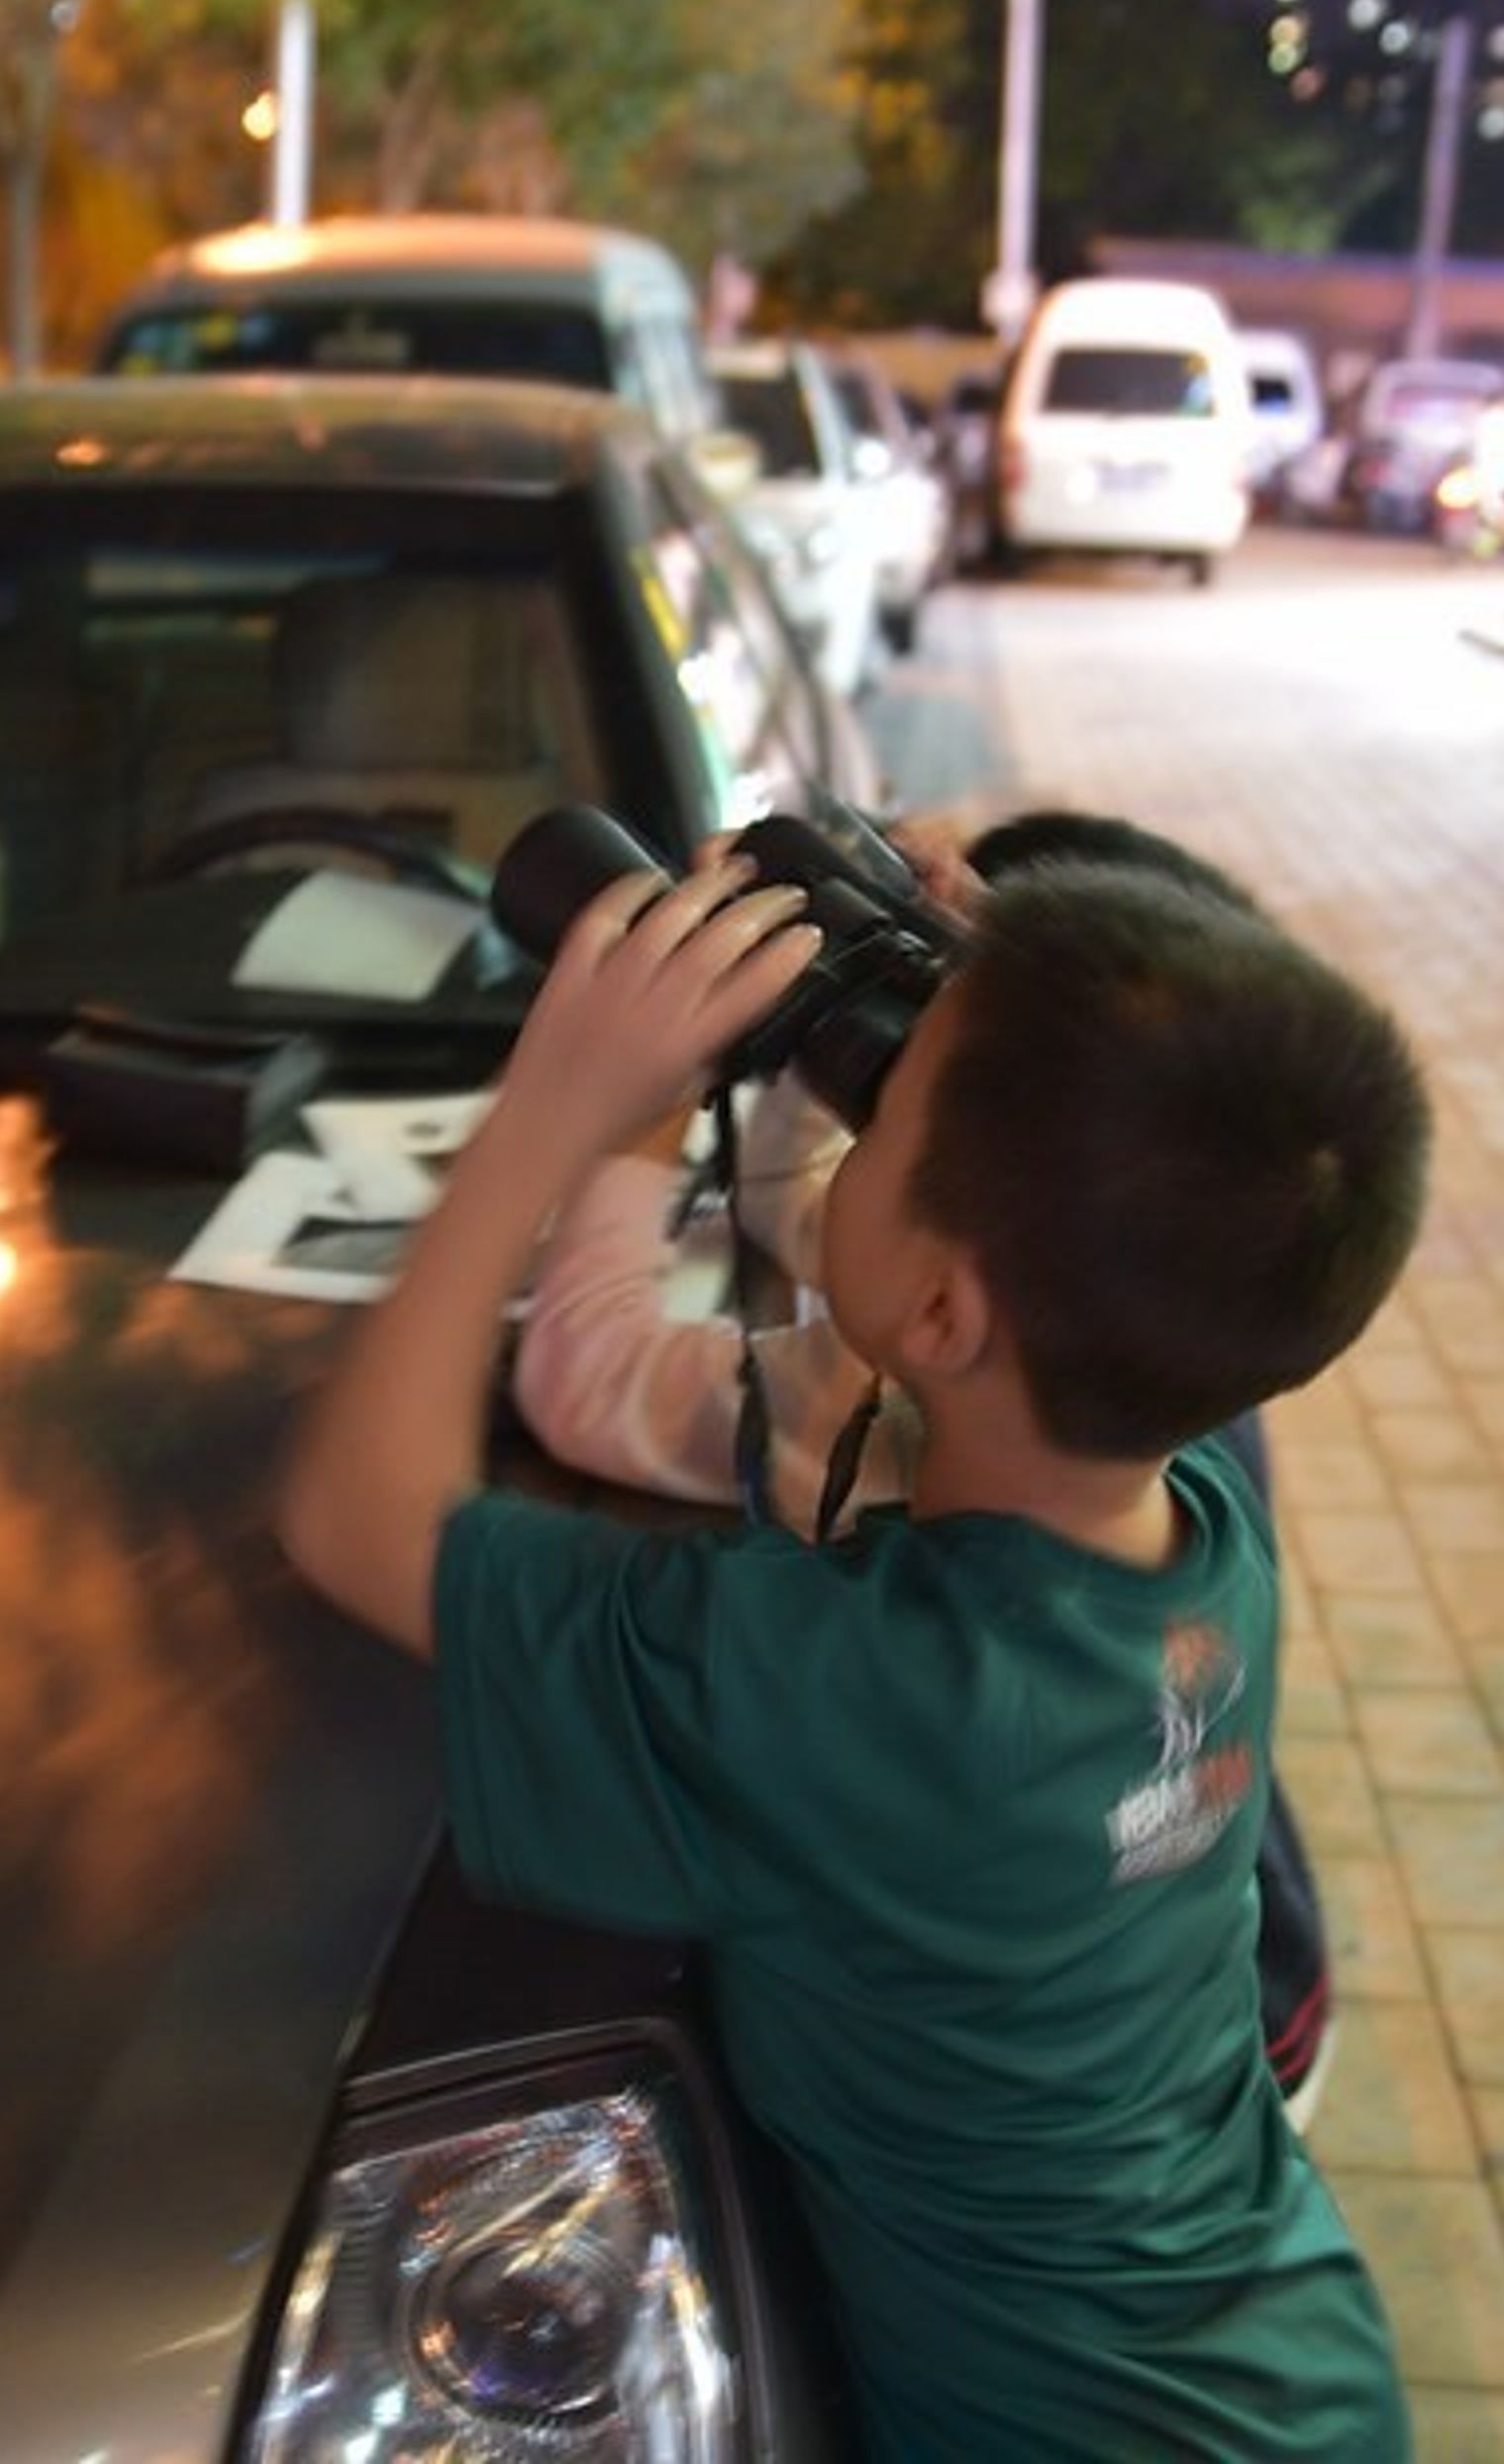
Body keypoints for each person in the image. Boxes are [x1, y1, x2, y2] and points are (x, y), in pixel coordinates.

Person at [277, 836, 1432, 2458]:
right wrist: (1038, 1016)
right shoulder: (1193, 1539)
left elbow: (349, 1510)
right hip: (1287, 2370)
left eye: (882, 1116)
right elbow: (1081, 1222)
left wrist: (556, 1109)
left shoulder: (857, 1692)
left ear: (951, 1316)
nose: (861, 1117)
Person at [506, 808, 1346, 2127]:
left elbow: (585, 1379)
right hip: (1237, 1984)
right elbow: (843, 1205)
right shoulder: (1156, 1310)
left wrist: (635, 1118)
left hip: (1126, 2097)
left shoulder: (899, 1395)